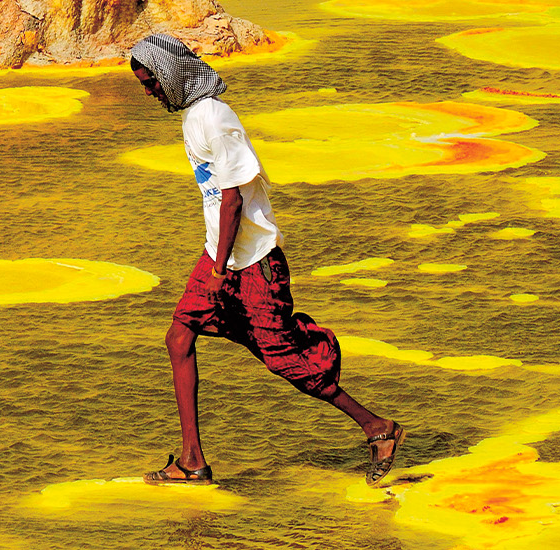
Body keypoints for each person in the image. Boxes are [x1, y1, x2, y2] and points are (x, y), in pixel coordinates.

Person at [129, 34, 405, 487]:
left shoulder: (215, 119)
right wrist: (216, 261)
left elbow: (233, 199)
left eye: (151, 82)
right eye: (144, 84)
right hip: (220, 252)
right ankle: (192, 460)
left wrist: (220, 271)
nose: (150, 92)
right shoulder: (194, 117)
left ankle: (378, 428)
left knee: (282, 357)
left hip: (251, 261)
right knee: (179, 337)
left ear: (171, 73)